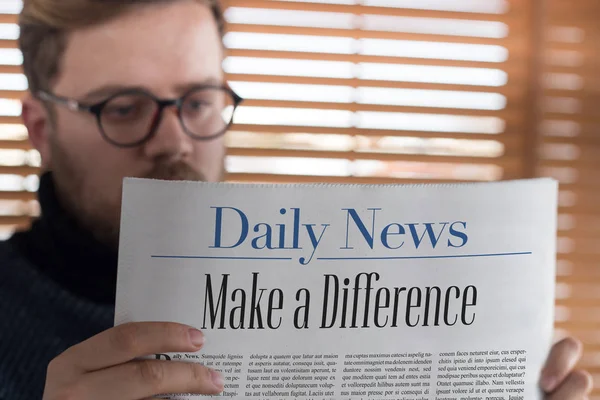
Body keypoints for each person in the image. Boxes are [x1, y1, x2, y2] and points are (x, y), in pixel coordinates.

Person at [0, 0, 593, 399]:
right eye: (123, 109)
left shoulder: (331, 300)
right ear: (42, 131)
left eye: (199, 100)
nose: (175, 141)